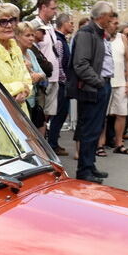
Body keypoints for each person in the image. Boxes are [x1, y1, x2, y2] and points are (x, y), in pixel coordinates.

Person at [69, 0, 113, 182]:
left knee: (95, 128)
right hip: (92, 88)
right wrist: (98, 83)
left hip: (99, 85)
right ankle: (84, 170)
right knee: (89, 129)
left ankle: (90, 165)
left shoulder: (97, 33)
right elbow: (81, 64)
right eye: (110, 16)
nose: (111, 19)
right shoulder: (87, 33)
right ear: (102, 16)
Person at [104, 21, 128, 155]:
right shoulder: (102, 36)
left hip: (121, 82)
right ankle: (100, 144)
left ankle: (119, 143)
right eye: (114, 23)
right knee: (103, 115)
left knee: (122, 114)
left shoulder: (122, 37)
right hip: (106, 81)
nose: (116, 26)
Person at [45, 12, 74, 152]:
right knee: (58, 114)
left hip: (62, 81)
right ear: (64, 23)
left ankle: (54, 141)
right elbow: (59, 62)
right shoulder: (58, 41)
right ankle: (52, 143)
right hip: (60, 82)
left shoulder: (62, 39)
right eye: (71, 23)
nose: (72, 26)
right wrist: (64, 80)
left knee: (61, 113)